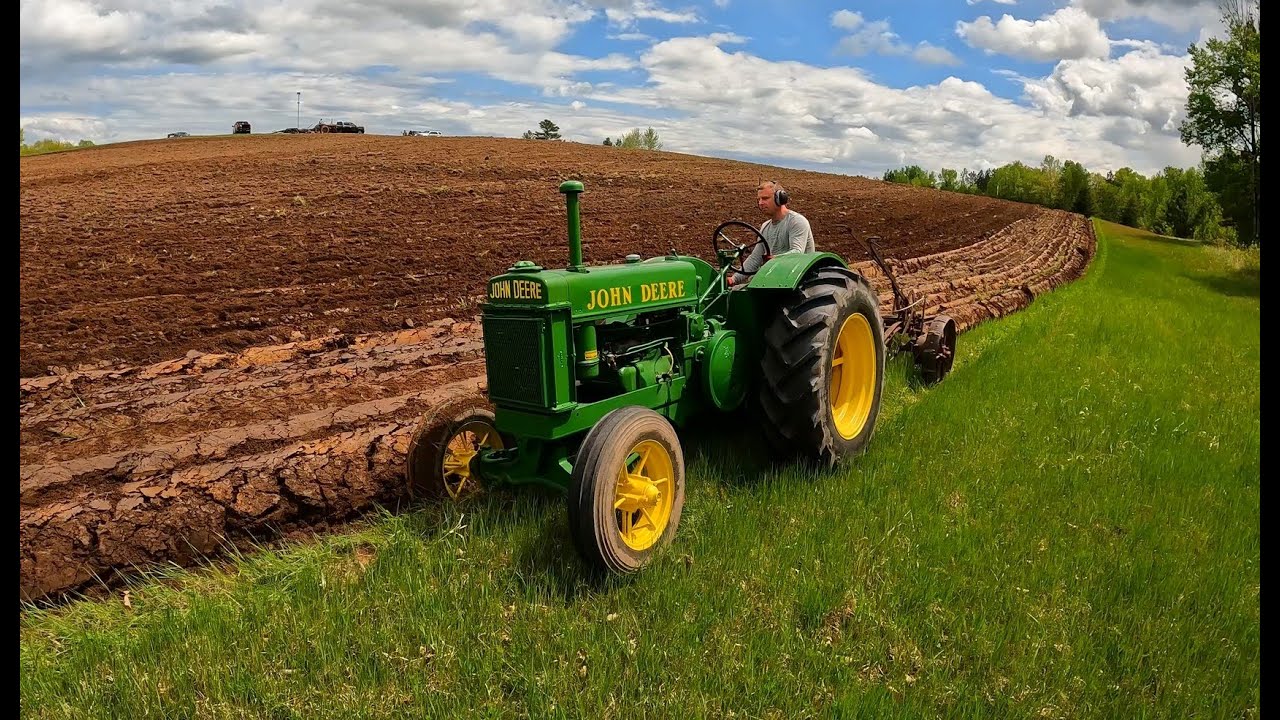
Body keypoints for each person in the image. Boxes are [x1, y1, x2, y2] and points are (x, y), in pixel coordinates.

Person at [728, 180, 815, 286]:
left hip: (798, 280)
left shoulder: (796, 221)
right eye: (758, 199)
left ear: (780, 199)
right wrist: (733, 279)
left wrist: (775, 259)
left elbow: (797, 252)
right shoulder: (765, 226)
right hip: (775, 277)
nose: (760, 203)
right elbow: (755, 258)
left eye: (765, 198)